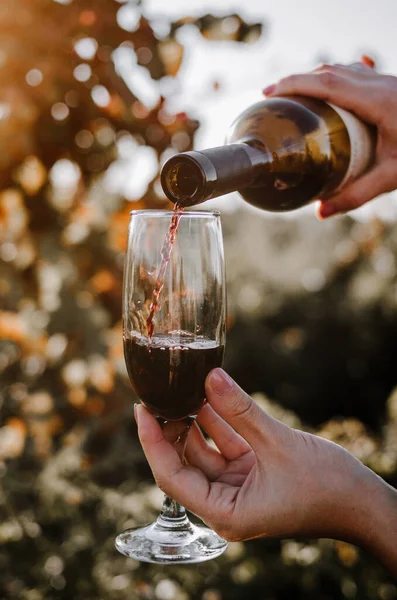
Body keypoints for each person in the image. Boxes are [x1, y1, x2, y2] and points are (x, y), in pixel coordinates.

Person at [134, 62, 397, 577]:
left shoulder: (282, 139)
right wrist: (360, 503)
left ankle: (172, 516)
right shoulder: (273, 152)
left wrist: (357, 505)